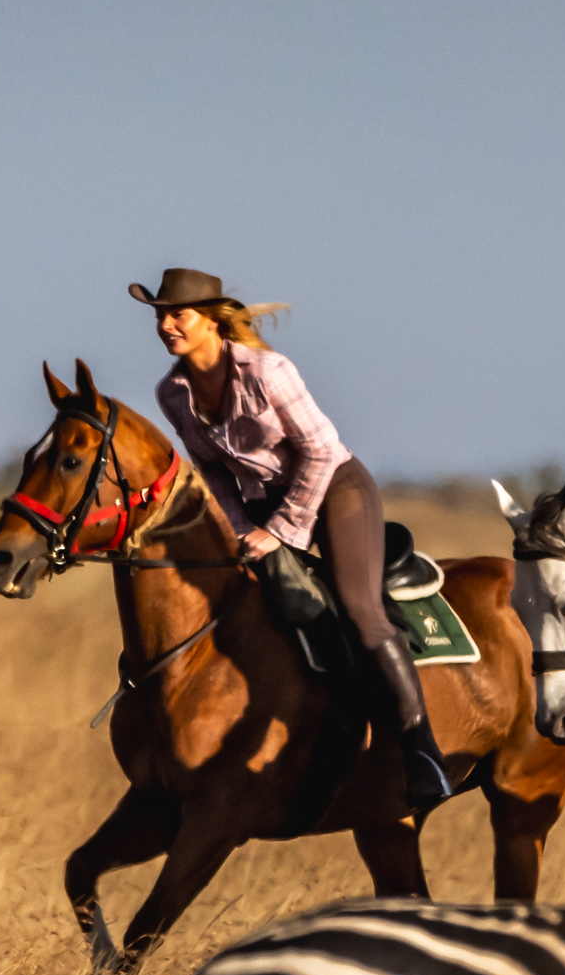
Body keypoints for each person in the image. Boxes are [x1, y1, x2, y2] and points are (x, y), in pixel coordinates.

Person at [134, 267, 460, 813]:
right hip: (259, 506)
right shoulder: (172, 393)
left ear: (212, 320)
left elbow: (320, 451)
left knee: (359, 608)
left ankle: (421, 750)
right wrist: (240, 529)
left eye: (177, 314)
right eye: (160, 316)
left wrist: (278, 531)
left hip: (335, 488)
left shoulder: (268, 371)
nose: (166, 325)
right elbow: (212, 472)